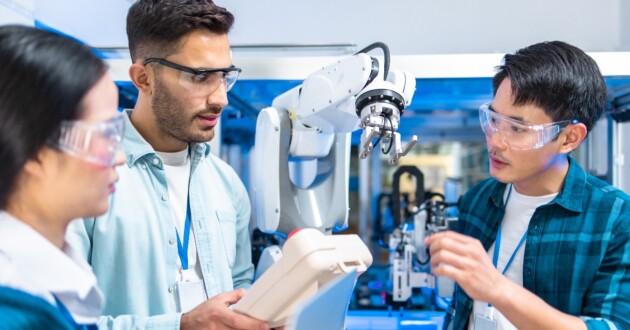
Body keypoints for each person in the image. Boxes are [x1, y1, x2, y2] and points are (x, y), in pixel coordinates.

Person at [66, 1, 269, 329]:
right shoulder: (79, 177)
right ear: (144, 78)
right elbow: (56, 320)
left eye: (224, 77)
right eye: (200, 76)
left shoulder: (226, 183)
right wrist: (182, 325)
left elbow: (239, 285)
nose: (220, 98)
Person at [426, 41, 630, 330]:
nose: (496, 141)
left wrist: (497, 289)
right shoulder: (479, 199)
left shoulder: (615, 217)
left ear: (569, 138)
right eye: (494, 119)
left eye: (518, 129)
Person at [0, 25, 125, 328]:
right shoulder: (14, 312)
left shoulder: (43, 290)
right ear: (34, 152)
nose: (119, 157)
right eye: (104, 134)